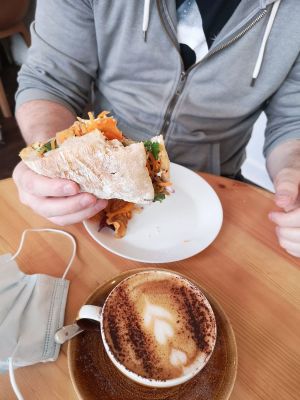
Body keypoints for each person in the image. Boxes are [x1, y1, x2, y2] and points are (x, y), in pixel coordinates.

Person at [13, 0, 300, 257]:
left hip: (218, 188)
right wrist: (51, 156)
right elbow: (50, 81)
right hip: (97, 187)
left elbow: (293, 124)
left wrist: (293, 178)